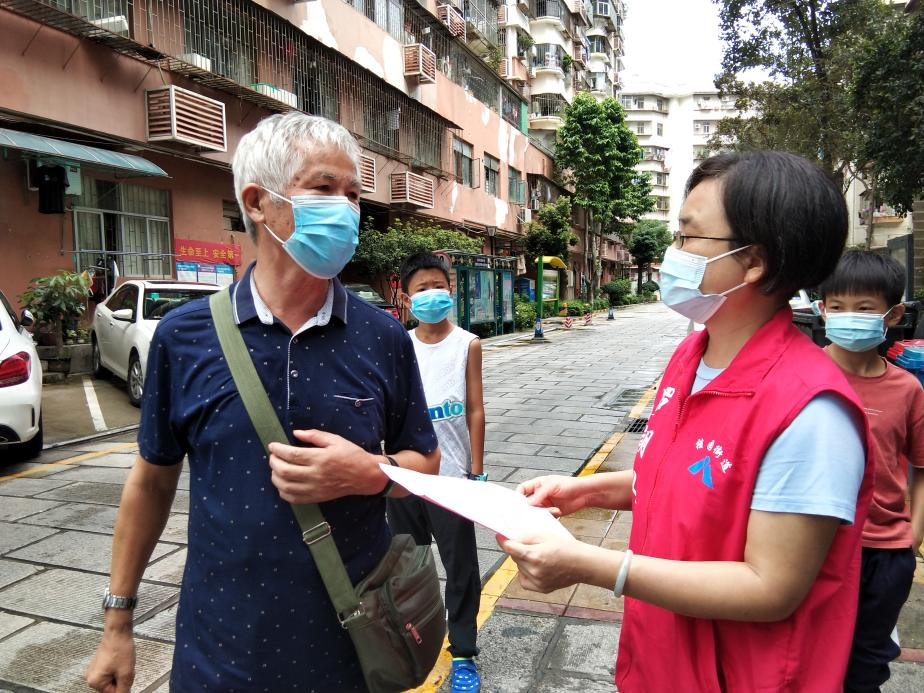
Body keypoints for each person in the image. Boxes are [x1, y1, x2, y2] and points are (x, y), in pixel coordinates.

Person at [85, 112, 440, 693]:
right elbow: (150, 482)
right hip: (219, 653)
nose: (346, 209)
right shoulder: (184, 336)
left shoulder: (383, 337)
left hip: (352, 648)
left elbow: (426, 463)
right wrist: (117, 622)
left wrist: (371, 474)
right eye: (324, 188)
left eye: (354, 194)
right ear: (257, 202)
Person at [499, 150, 875, 692]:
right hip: (662, 659)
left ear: (754, 261)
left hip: (742, 677)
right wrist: (587, 491)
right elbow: (690, 475)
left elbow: (771, 587)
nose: (671, 254)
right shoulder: (691, 357)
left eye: (687, 236)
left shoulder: (811, 413)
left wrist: (592, 565)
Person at [818, 250, 924, 693]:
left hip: (885, 554)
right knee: (811, 657)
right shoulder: (801, 374)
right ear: (822, 310)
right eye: (837, 306)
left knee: (865, 665)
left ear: (892, 314)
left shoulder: (907, 389)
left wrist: (912, 537)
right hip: (814, 546)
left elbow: (920, 466)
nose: (849, 317)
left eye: (863, 308)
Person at [387, 251, 486, 693]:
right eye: (421, 289)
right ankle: (406, 643)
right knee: (404, 567)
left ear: (451, 289)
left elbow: (475, 409)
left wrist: (476, 472)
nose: (432, 295)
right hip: (405, 477)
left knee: (460, 568)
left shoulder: (468, 344)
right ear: (407, 298)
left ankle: (463, 652)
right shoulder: (397, 344)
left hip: (452, 481)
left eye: (438, 286)